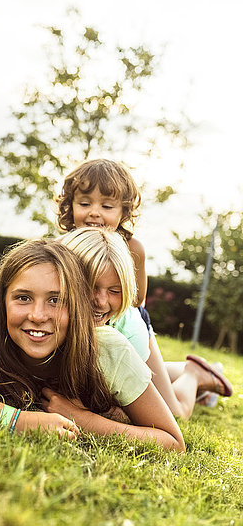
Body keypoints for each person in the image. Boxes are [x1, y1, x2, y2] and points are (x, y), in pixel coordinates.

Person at [0, 238, 185, 451]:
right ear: (2, 301)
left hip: (124, 384)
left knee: (180, 404)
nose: (38, 315)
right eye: (23, 297)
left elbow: (171, 441)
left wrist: (83, 419)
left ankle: (195, 375)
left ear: (79, 305)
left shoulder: (109, 350)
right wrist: (15, 420)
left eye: (56, 300)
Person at [57, 158, 220, 408]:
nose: (94, 212)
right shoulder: (64, 247)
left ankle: (193, 376)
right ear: (71, 205)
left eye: (107, 206)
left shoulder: (133, 249)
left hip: (129, 323)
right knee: (146, 379)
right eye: (85, 203)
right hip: (88, 321)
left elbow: (135, 301)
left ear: (123, 212)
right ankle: (192, 372)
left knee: (172, 409)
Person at [58, 227, 233, 420]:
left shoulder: (128, 333)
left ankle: (193, 374)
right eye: (90, 287)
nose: (101, 301)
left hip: (135, 345)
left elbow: (128, 401)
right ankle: (182, 369)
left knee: (175, 412)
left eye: (114, 291)